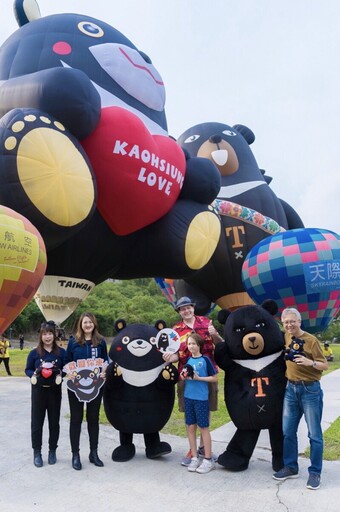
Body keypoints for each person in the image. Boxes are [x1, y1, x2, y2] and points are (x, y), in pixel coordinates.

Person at [272, 307, 328, 490]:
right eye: (286, 322)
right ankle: (291, 467)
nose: (289, 325)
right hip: (291, 389)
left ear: (299, 322)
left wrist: (310, 362)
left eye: (292, 321)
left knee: (314, 434)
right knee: (288, 431)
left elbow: (324, 365)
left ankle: (315, 472)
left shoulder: (311, 341)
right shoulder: (286, 336)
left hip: (310, 390)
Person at [165, 296, 223, 466]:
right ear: (179, 312)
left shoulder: (206, 322)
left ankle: (204, 449)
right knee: (189, 416)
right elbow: (177, 355)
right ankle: (192, 449)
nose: (186, 311)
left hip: (208, 373)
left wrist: (216, 334)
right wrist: (169, 358)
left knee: (206, 410)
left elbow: (219, 344)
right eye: (182, 309)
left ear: (193, 307)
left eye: (188, 307)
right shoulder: (176, 330)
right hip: (185, 377)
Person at [65, 312, 108, 470]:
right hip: (76, 387)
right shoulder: (73, 342)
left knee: (93, 418)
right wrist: (69, 372)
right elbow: (67, 361)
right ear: (81, 325)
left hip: (95, 386)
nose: (88, 325)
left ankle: (93, 453)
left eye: (90, 322)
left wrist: (104, 370)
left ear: (94, 324)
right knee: (76, 419)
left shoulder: (101, 341)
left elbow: (105, 360)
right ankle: (75, 455)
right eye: (85, 322)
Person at [25, 322, 66, 467]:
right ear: (40, 336)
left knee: (54, 423)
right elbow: (28, 369)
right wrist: (33, 376)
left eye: (50, 333)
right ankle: (37, 452)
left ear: (54, 334)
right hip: (38, 392)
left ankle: (52, 450)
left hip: (55, 392)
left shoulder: (61, 352)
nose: (47, 337)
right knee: (37, 423)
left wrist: (61, 373)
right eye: (44, 334)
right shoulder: (34, 353)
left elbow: (67, 368)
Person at [181, 333, 218, 474]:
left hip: (201, 398)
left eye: (193, 344)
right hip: (188, 397)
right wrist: (183, 376)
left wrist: (198, 378)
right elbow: (184, 375)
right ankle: (195, 458)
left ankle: (208, 460)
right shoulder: (188, 360)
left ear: (199, 345)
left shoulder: (205, 359)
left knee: (203, 428)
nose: (191, 346)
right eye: (189, 344)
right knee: (190, 427)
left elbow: (214, 378)